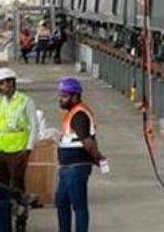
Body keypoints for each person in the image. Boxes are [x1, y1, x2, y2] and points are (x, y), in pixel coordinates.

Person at [56, 77, 106, 232]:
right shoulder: (73, 113)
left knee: (79, 205)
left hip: (75, 168)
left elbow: (88, 142)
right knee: (62, 202)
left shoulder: (79, 115)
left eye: (64, 96)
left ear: (75, 96)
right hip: (67, 168)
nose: (61, 99)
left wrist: (98, 158)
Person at [0, 67, 38, 194]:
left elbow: (34, 125)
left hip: (18, 150)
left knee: (17, 184)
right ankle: (5, 211)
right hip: (0, 149)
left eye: (1, 84)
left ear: (10, 83)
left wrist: (28, 148)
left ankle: (20, 211)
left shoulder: (26, 101)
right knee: (0, 184)